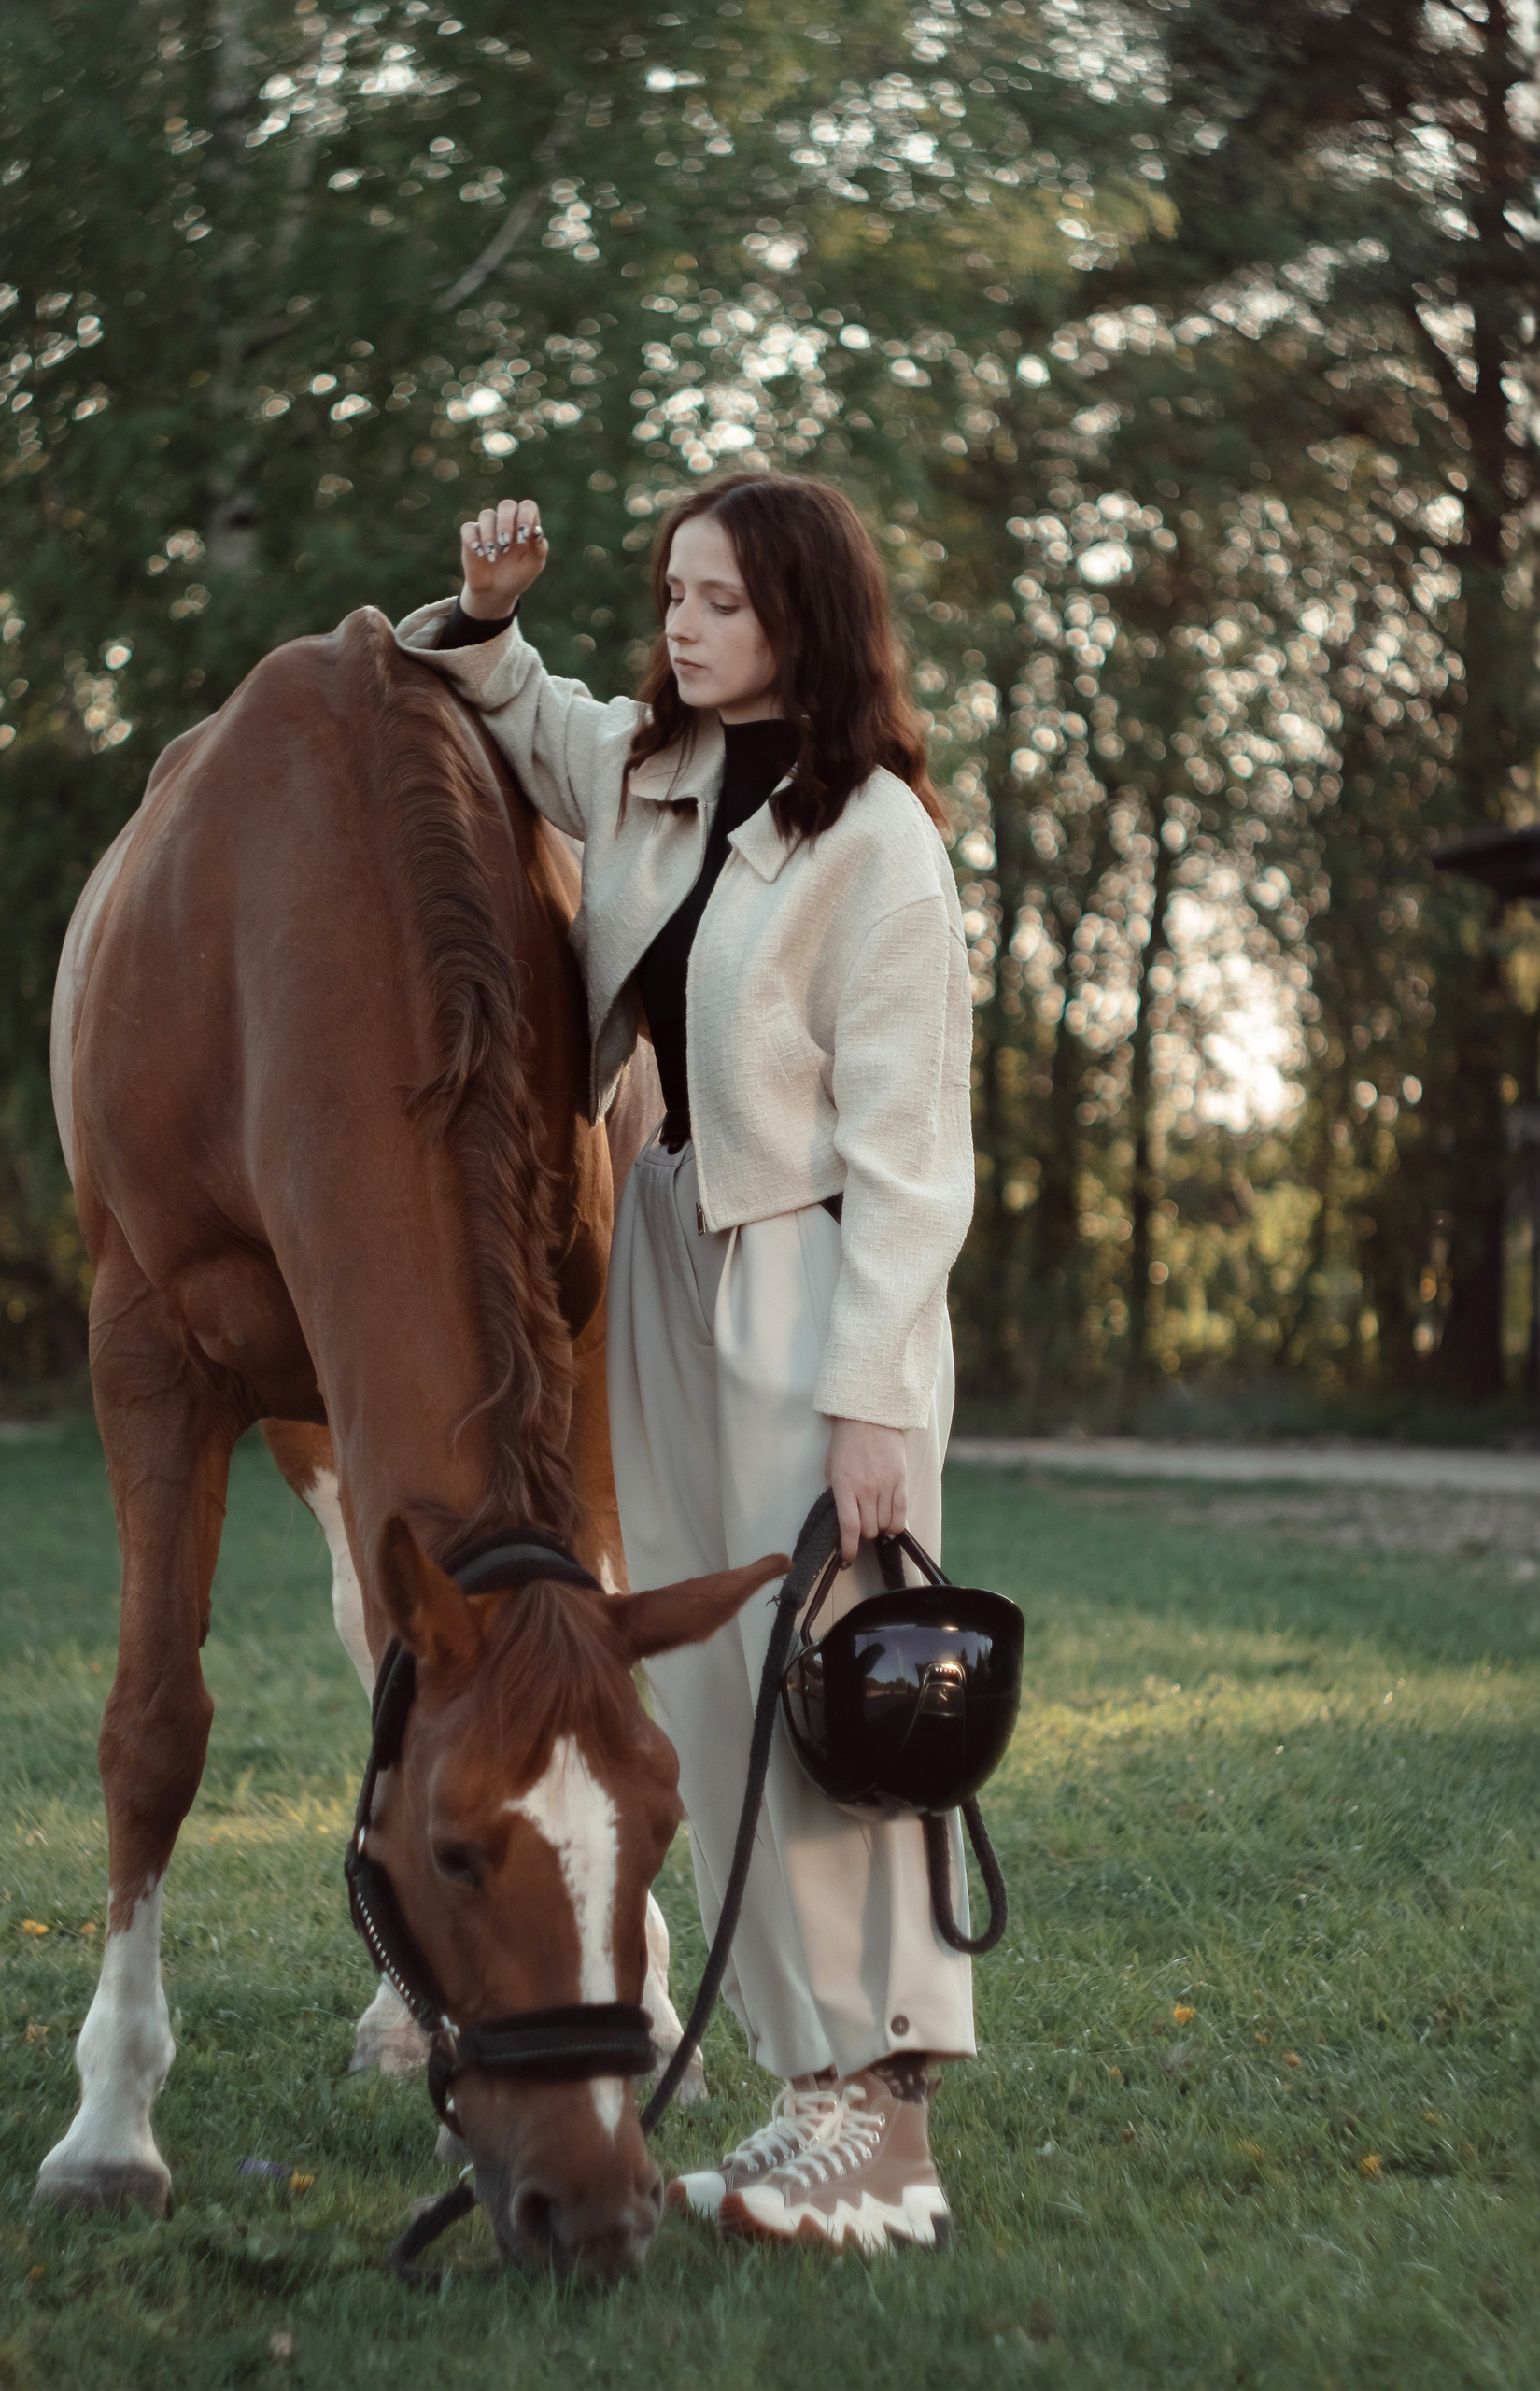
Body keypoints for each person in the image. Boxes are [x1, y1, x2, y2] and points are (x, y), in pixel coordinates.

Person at [393, 474, 977, 2254]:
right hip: (660, 1256)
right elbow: (519, 709)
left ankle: (885, 2134)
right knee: (714, 1705)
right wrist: (489, 608)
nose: (681, 625)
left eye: (717, 599)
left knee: (839, 1698)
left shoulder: (880, 842)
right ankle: (806, 2107)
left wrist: (870, 1396)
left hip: (811, 1284)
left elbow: (914, 1152)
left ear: (801, 611)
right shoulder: (648, 779)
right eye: (669, 595)